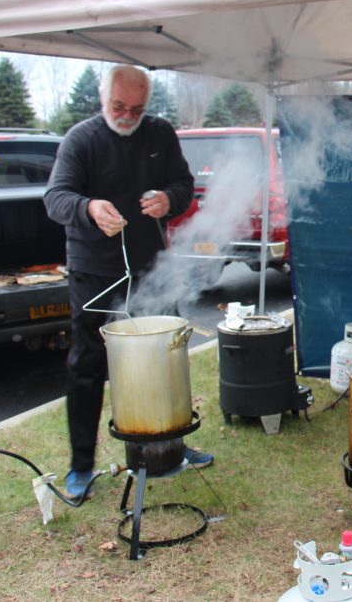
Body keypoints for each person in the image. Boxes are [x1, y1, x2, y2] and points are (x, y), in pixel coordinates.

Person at [44, 64, 212, 499]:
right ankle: (81, 466)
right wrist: (89, 208)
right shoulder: (81, 139)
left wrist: (168, 199)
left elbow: (184, 186)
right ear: (104, 99)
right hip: (94, 270)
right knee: (88, 366)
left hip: (151, 268)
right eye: (119, 106)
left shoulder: (159, 134)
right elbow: (55, 198)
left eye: (136, 108)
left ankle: (169, 445)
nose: (127, 115)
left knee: (163, 359)